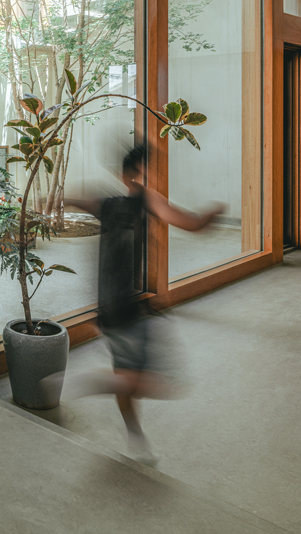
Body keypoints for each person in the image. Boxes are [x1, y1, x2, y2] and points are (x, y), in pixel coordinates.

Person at [61, 144, 223, 466]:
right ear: (140, 173)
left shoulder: (107, 203)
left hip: (108, 308)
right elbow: (192, 224)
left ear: (122, 174)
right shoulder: (147, 199)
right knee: (161, 381)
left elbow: (80, 201)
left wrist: (58, 200)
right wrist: (213, 213)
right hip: (129, 309)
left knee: (130, 374)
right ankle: (91, 382)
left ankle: (136, 439)